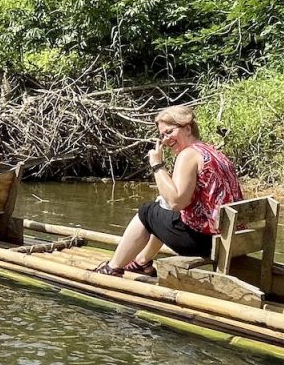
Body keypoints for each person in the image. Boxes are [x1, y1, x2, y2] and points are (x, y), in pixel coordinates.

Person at [94, 104, 242, 277]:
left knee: (147, 211)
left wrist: (157, 165)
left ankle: (113, 267)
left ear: (187, 128)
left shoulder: (188, 155)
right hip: (232, 237)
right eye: (162, 135)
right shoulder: (212, 151)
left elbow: (176, 202)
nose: (164, 140)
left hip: (206, 241)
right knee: (160, 205)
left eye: (169, 132)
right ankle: (142, 261)